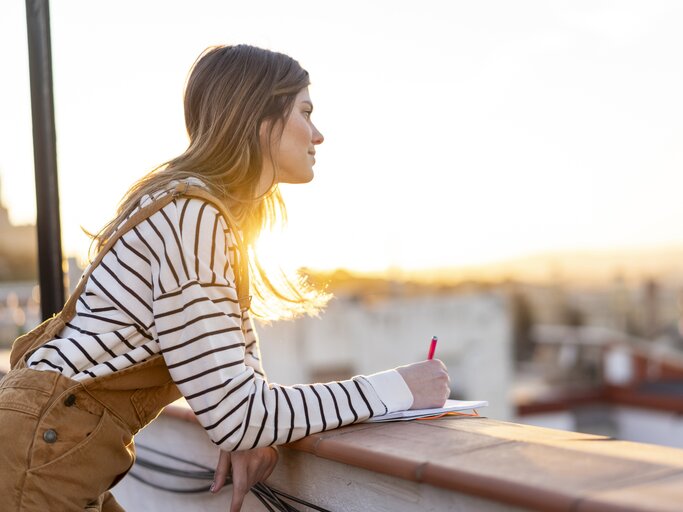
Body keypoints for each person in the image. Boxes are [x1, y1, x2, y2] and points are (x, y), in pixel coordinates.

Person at [0, 44, 450, 512]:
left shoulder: (200, 213)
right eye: (305, 111)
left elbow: (239, 378)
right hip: (45, 449)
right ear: (258, 117)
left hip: (51, 446)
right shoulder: (194, 216)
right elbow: (239, 417)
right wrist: (399, 388)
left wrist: (253, 429)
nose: (318, 135)